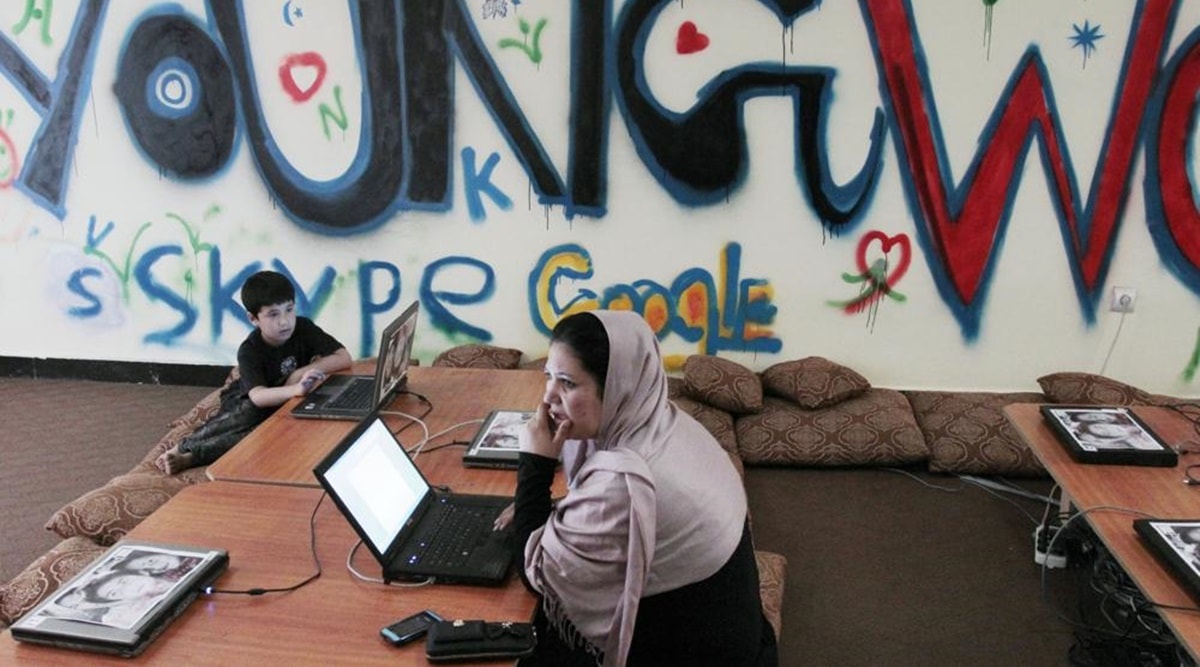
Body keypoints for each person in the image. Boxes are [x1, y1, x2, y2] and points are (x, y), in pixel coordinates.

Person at [506, 310, 777, 666]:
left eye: (568, 383)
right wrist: (556, 509)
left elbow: (539, 575)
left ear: (618, 385)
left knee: (511, 636)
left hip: (690, 649)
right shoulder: (669, 422)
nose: (548, 398)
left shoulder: (625, 480)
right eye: (548, 377)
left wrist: (535, 466)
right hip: (727, 632)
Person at [156, 270, 351, 474]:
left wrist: (298, 375)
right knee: (248, 415)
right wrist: (295, 389)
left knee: (260, 436)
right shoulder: (250, 350)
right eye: (273, 314)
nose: (285, 321)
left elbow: (343, 357)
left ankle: (193, 457)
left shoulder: (303, 327)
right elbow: (258, 397)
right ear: (253, 318)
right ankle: (182, 447)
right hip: (247, 399)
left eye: (289, 310)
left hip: (284, 399)